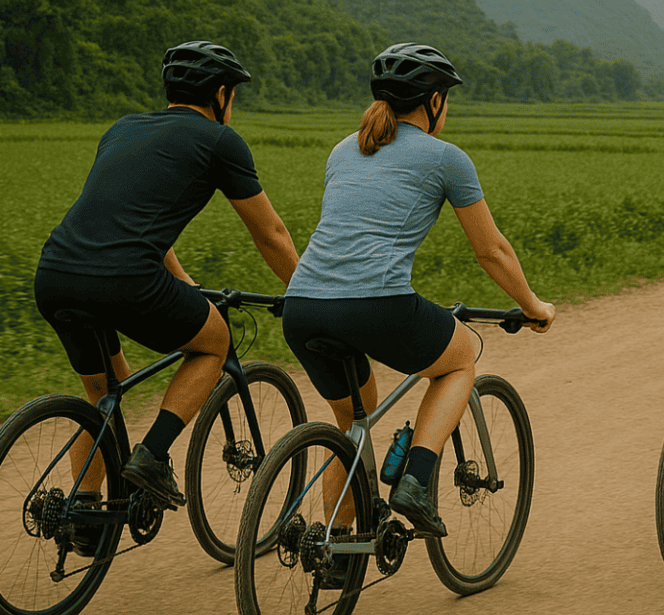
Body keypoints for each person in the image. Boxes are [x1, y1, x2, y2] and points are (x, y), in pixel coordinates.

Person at [283, 42, 555, 540]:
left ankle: (335, 547)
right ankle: (416, 482)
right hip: (376, 305)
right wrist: (532, 306)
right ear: (433, 101)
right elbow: (492, 250)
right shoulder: (447, 158)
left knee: (352, 425)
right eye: (446, 99)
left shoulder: (343, 150)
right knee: (460, 357)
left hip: (301, 306)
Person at [34, 40, 299, 537]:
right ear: (221, 94)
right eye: (233, 93)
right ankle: (152, 456)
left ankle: (84, 513)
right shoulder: (220, 141)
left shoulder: (124, 127)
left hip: (56, 274)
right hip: (125, 279)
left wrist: (185, 285)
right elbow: (272, 234)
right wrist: (310, 291)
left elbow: (135, 222)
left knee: (104, 393)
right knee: (214, 342)